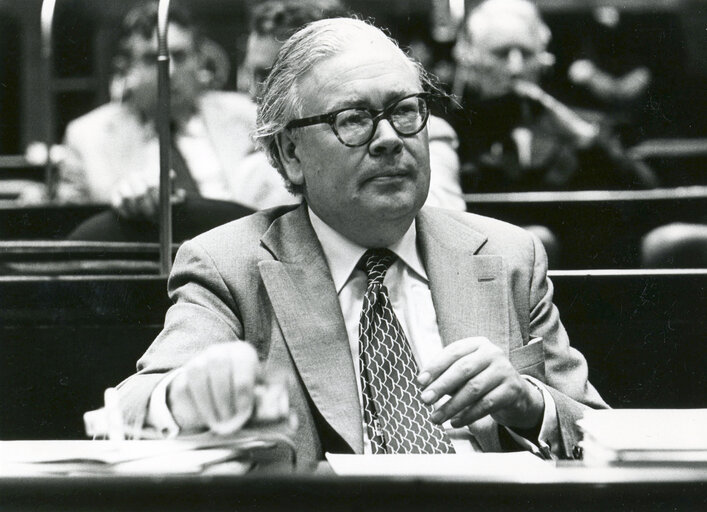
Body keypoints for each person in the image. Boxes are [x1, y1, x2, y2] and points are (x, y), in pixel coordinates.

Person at [115, 18, 607, 466]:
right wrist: (190, 394)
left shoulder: (508, 255)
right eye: (354, 118)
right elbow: (133, 408)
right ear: (290, 154)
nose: (390, 138)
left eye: (405, 110)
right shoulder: (228, 265)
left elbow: (601, 431)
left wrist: (530, 404)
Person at [238, 0, 466, 211]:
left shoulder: (420, 132)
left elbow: (439, 228)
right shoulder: (257, 160)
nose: (254, 92)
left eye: (269, 76)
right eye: (254, 74)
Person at [56, 2, 272, 221]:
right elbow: (74, 229)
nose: (168, 71)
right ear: (127, 67)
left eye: (179, 56)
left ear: (199, 60)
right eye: (152, 59)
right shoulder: (87, 136)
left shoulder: (247, 116)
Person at [451, 0, 658, 193]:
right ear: (470, 60)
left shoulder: (586, 125)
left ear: (544, 61)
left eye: (527, 53)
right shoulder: (448, 132)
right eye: (501, 53)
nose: (516, 68)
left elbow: (648, 194)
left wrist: (584, 138)